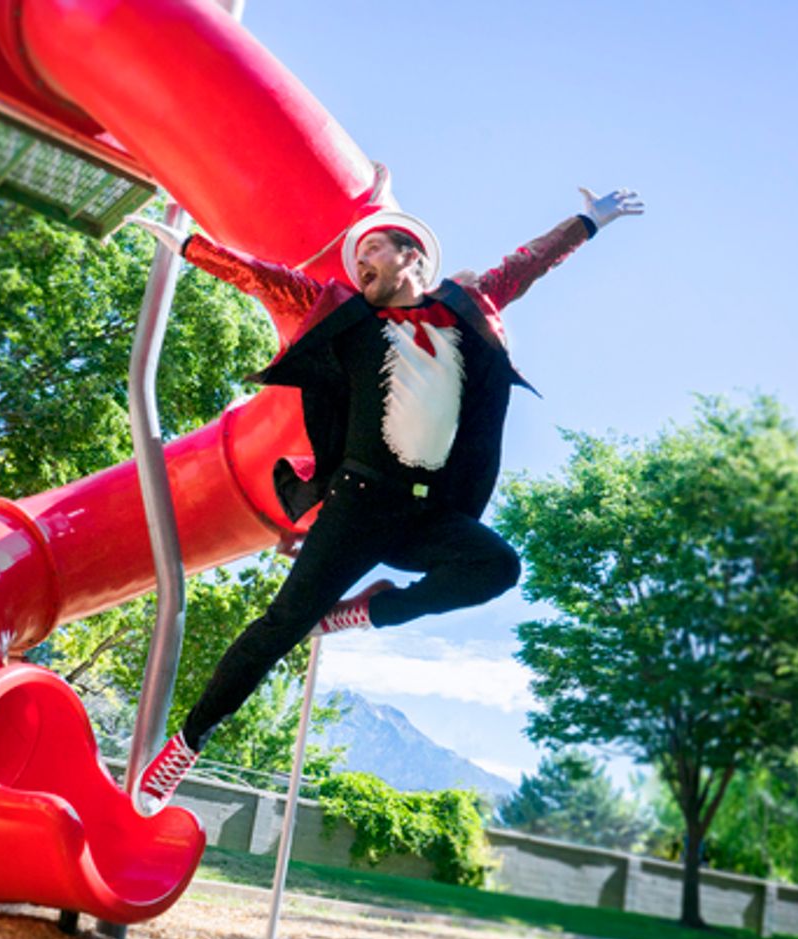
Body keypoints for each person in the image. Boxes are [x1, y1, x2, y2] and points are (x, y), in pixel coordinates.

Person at [129, 187, 644, 812]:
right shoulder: (352, 320)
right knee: (281, 627)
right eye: (356, 258)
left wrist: (589, 221)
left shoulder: (467, 307)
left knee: (497, 567)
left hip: (426, 513)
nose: (359, 264)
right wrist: (192, 248)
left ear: (411, 256)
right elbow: (270, 281)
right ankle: (186, 745)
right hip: (358, 505)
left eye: (372, 250)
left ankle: (371, 611)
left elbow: (527, 263)